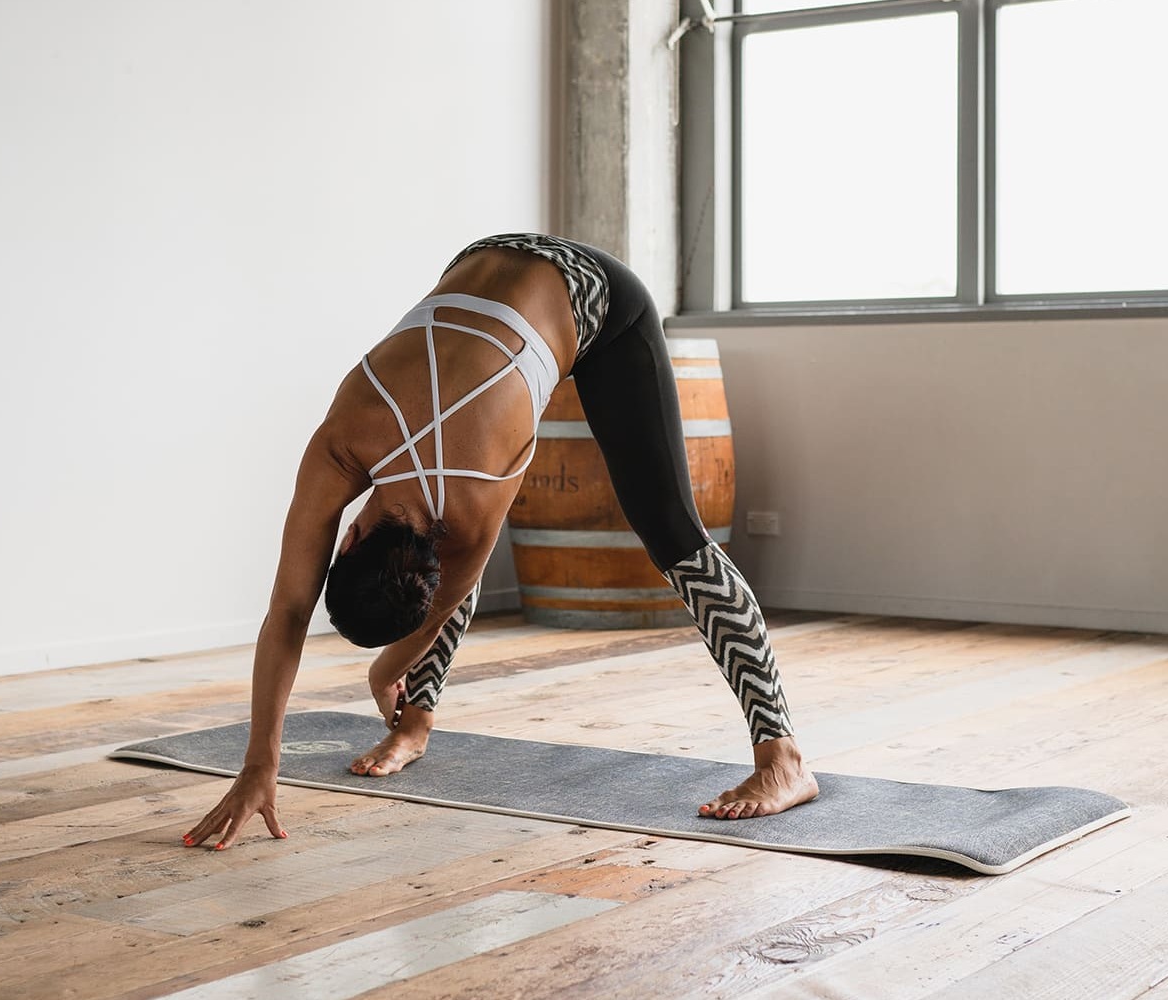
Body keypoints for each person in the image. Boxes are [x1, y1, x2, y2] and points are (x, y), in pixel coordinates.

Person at [183, 234, 817, 851]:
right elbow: (310, 610)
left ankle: (784, 757)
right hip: (489, 256)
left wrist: (382, 673)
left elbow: (395, 606)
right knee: (471, 563)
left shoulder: (476, 489)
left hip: (600, 298)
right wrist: (261, 764)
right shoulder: (345, 443)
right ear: (349, 541)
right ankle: (415, 726)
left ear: (346, 536)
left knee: (676, 537)